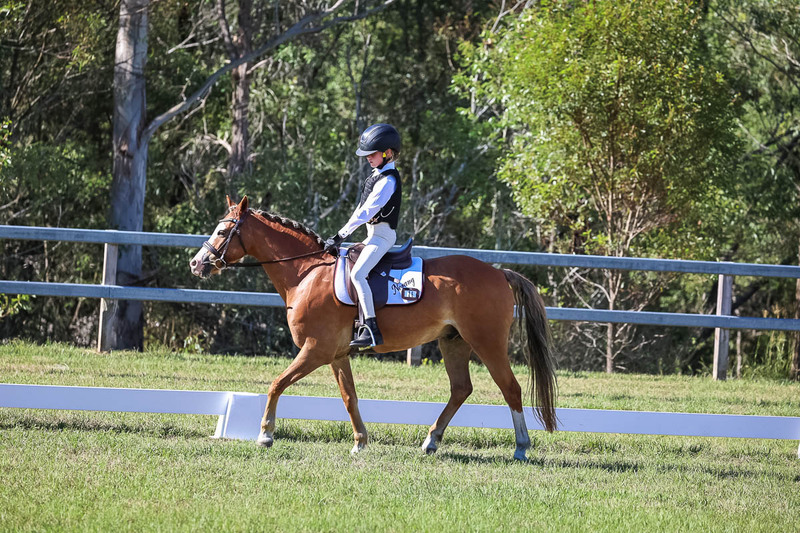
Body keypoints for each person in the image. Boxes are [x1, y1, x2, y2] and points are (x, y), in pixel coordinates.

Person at [325, 123, 402, 348]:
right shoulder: (376, 176)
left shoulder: (388, 181)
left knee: (358, 274)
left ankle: (370, 329)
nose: (367, 158)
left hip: (383, 237)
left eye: (372, 153)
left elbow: (366, 212)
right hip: (371, 236)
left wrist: (340, 234)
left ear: (387, 153)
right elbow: (360, 210)